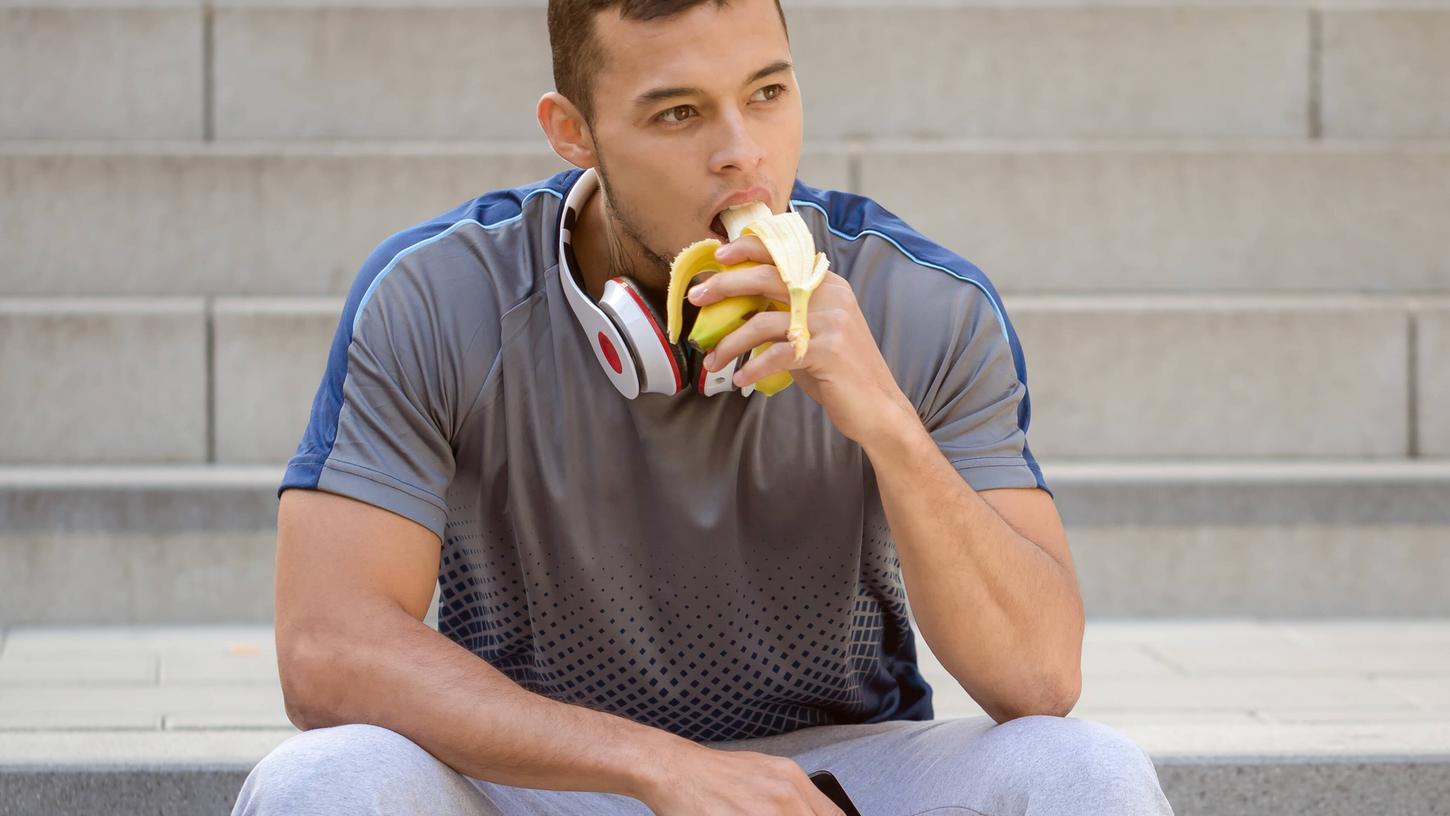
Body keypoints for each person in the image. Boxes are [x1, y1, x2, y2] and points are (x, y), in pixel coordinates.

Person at [233, 0, 1175, 813]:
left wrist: (885, 419)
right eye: (679, 113)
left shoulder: (924, 304)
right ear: (572, 132)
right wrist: (658, 767)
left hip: (835, 780)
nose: (743, 156)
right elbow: (328, 650)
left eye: (767, 93)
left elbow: (1040, 677)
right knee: (322, 781)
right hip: (545, 778)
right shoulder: (438, 296)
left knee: (1085, 771)